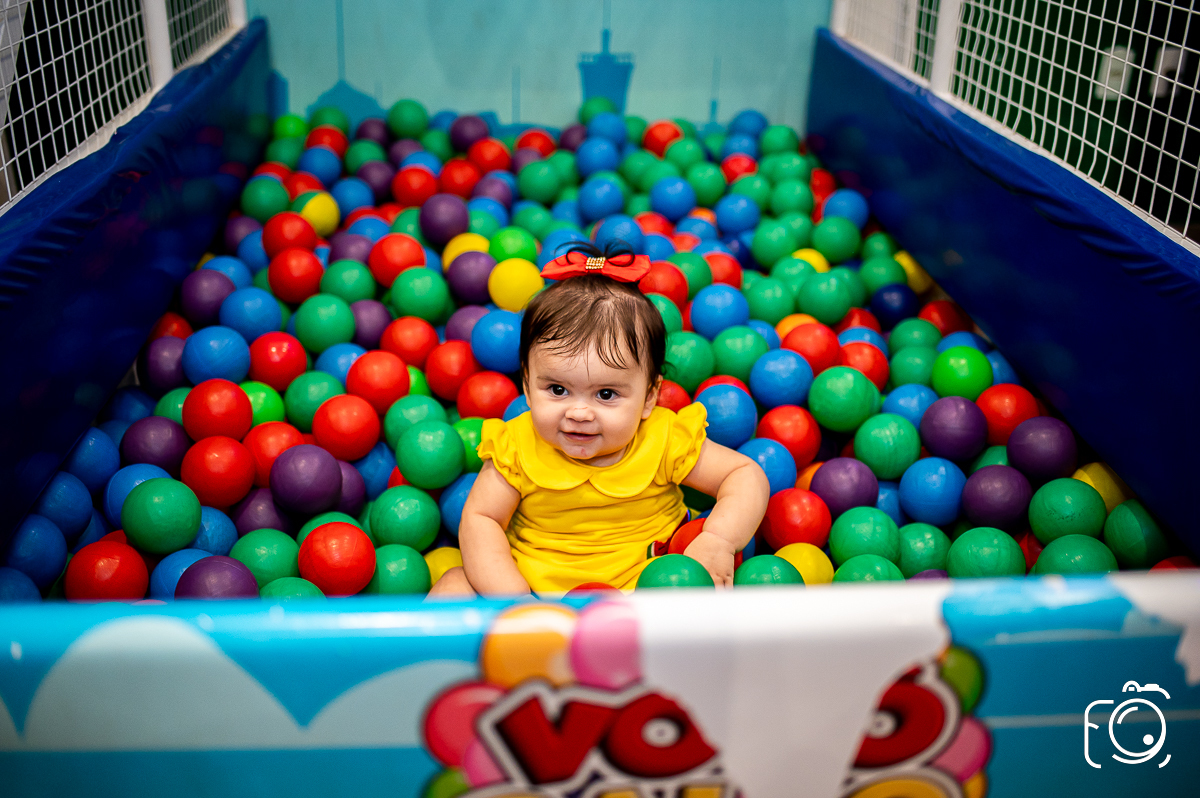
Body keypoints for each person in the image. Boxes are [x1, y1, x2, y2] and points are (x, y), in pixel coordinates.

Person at [428, 244, 769, 596]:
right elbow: (481, 519)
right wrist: (514, 599)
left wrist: (718, 540)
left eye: (606, 394)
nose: (578, 413)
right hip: (534, 594)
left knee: (720, 589)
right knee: (454, 584)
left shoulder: (664, 438)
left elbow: (744, 475)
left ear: (649, 397)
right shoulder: (515, 445)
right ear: (527, 387)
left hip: (647, 592)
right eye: (557, 389)